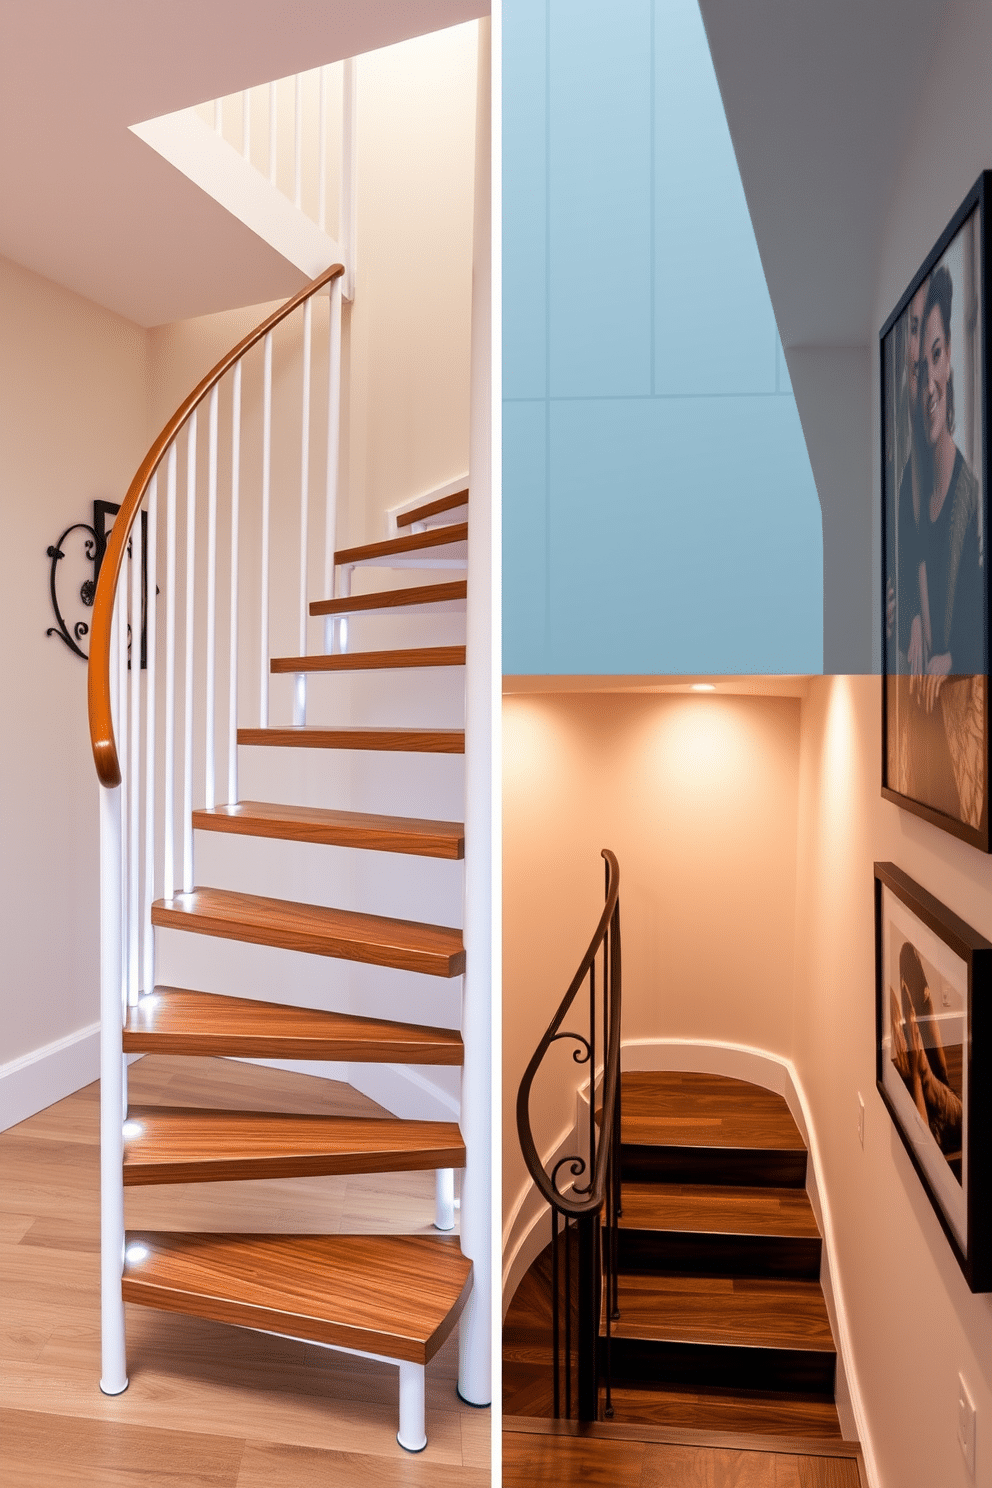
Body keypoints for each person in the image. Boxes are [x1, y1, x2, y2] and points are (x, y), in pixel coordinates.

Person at [908, 264, 985, 824]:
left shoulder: (971, 497)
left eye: (937, 356)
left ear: (951, 358)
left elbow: (977, 628)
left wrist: (951, 655)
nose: (929, 380)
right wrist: (911, 616)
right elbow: (905, 575)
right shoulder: (908, 488)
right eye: (917, 368)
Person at [890, 940, 962, 1165]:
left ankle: (918, 1066)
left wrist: (914, 1078)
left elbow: (924, 1148)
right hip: (950, 1124)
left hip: (940, 1132)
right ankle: (919, 1063)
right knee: (938, 1080)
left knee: (929, 1079)